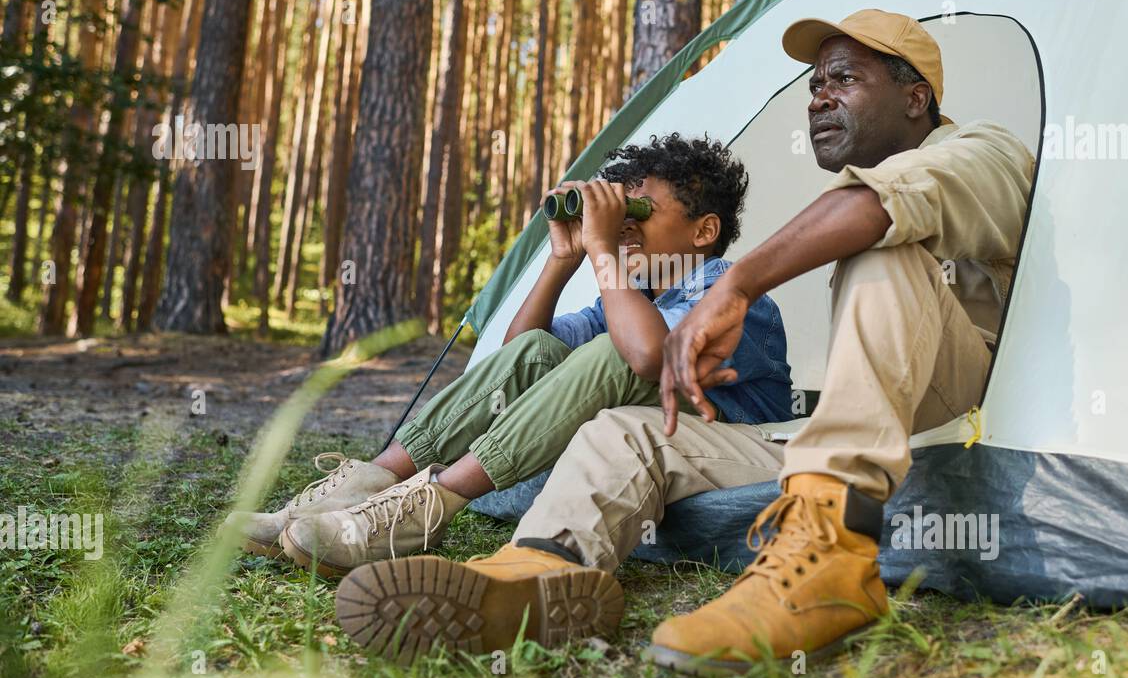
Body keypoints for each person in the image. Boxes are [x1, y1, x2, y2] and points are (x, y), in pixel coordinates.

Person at [632, 8, 1036, 673]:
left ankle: (835, 561)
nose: (819, 96)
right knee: (626, 431)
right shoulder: (856, 197)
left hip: (976, 401)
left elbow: (884, 206)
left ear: (916, 98)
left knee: (882, 244)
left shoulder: (982, 150)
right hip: (880, 411)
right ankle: (540, 564)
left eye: (843, 78)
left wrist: (733, 288)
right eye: (814, 84)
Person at [224, 134, 793, 596]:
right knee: (545, 348)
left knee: (615, 351)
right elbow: (520, 357)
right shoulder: (628, 297)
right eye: (622, 210)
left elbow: (646, 356)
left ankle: (428, 508)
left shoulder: (732, 292)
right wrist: (563, 260)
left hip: (729, 443)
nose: (624, 226)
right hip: (653, 427)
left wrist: (601, 252)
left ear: (704, 230)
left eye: (640, 212)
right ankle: (375, 481)